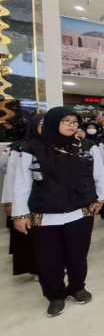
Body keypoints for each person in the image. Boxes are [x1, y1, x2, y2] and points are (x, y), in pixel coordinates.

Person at [12, 107, 104, 317]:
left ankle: (77, 287)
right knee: (48, 257)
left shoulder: (87, 147)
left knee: (78, 253)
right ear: (52, 123)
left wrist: (101, 198)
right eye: (66, 121)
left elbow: (99, 175)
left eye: (75, 121)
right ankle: (55, 295)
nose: (72, 125)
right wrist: (20, 214)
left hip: (80, 210)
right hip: (45, 213)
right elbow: (21, 184)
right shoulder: (31, 149)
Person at [1, 113, 44, 281]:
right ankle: (34, 269)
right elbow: (12, 178)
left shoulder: (57, 147)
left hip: (48, 200)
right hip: (26, 201)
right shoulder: (20, 148)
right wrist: (10, 202)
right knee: (29, 236)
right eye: (41, 124)